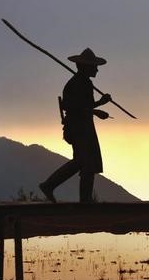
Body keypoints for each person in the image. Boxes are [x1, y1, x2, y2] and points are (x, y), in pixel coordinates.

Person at [39, 48, 111, 203]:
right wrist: (99, 104)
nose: (97, 69)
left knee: (88, 163)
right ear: (85, 67)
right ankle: (50, 186)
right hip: (79, 128)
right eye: (94, 66)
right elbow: (74, 107)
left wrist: (97, 109)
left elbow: (84, 106)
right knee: (83, 161)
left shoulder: (84, 83)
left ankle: (84, 199)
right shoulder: (78, 84)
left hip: (83, 126)